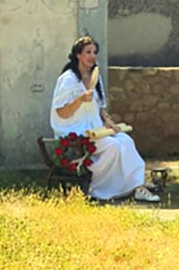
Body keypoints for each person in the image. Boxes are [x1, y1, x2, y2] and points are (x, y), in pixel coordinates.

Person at [50, 36, 160, 203]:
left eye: (95, 52)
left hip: (95, 127)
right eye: (88, 52)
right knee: (113, 146)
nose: (92, 56)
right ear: (78, 55)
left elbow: (99, 107)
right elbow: (61, 112)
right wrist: (80, 99)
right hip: (74, 129)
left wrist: (107, 120)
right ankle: (101, 189)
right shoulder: (68, 79)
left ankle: (136, 185)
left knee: (125, 140)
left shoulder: (95, 76)